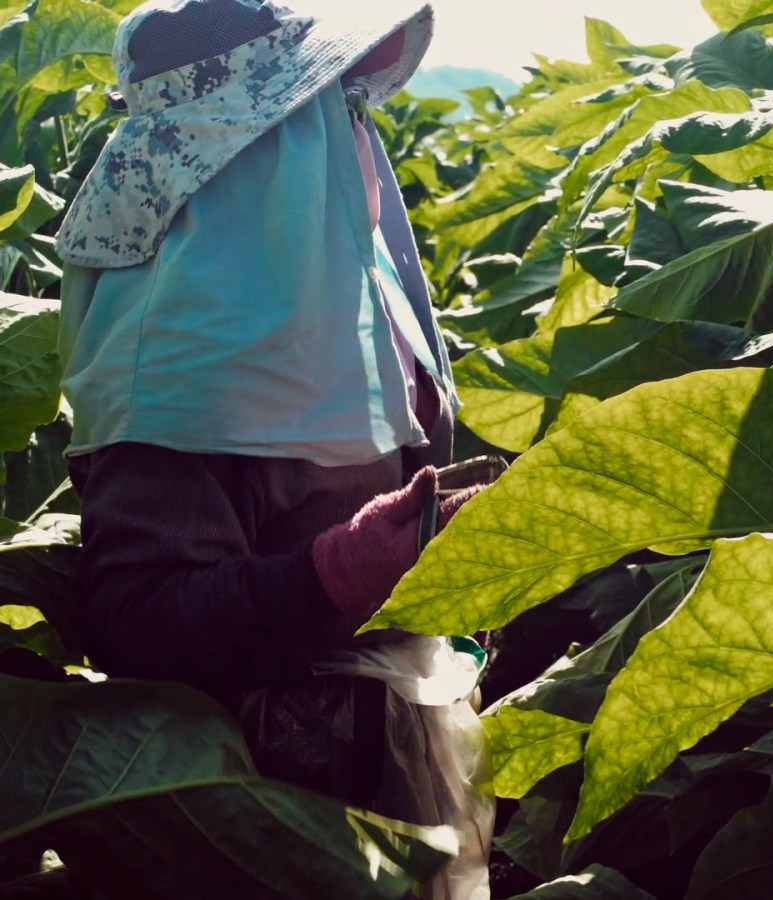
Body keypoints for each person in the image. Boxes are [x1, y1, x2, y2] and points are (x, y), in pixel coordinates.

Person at [53, 1, 495, 897]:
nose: (361, 152)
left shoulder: (343, 303)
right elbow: (140, 623)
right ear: (261, 155)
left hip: (380, 767)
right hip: (263, 816)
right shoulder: (175, 355)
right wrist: (336, 569)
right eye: (335, 122)